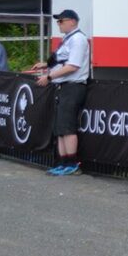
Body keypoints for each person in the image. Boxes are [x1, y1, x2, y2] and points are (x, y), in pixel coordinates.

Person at [29, 9, 90, 176]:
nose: (59, 24)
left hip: (73, 86)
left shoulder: (78, 39)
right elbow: (59, 59)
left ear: (72, 21)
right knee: (60, 127)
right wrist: (45, 64)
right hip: (63, 86)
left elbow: (72, 66)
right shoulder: (68, 39)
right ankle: (63, 163)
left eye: (61, 21)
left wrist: (48, 76)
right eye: (58, 21)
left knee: (67, 127)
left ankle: (72, 164)